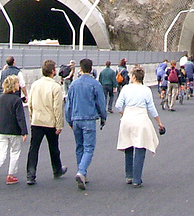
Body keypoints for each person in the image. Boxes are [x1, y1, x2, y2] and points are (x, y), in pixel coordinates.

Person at [115, 65, 164, 188]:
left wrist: (124, 113)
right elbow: (151, 108)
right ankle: (137, 178)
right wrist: (159, 122)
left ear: (134, 77)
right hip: (141, 119)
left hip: (127, 119)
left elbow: (118, 105)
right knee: (140, 147)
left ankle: (129, 175)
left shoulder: (126, 89)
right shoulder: (146, 90)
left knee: (128, 146)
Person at [65, 58, 106, 190]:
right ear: (91, 69)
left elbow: (68, 105)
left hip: (76, 118)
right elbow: (100, 103)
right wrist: (103, 117)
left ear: (80, 69)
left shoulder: (73, 85)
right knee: (89, 148)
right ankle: (82, 172)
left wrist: (69, 120)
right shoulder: (95, 84)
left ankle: (82, 172)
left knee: (79, 147)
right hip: (89, 119)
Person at [26, 59, 67, 185]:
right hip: (50, 122)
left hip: (37, 120)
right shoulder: (55, 86)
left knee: (34, 148)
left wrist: (32, 116)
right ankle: (57, 169)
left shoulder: (35, 84)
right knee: (54, 147)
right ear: (53, 71)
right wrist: (59, 124)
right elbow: (57, 108)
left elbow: (30, 103)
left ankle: (30, 174)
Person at [0, 75, 28, 188]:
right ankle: (10, 175)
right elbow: (20, 117)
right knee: (15, 151)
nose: (18, 85)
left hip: (0, 130)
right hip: (14, 130)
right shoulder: (16, 100)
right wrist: (24, 131)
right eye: (17, 83)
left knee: (0, 152)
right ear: (14, 86)